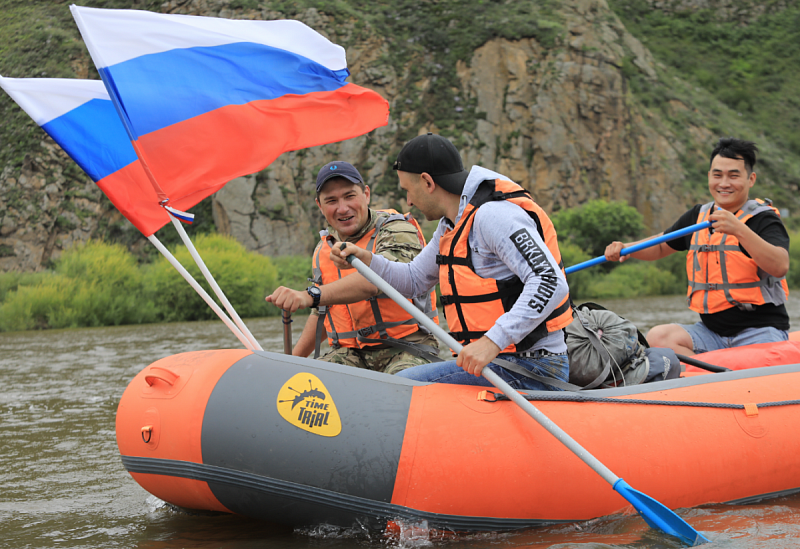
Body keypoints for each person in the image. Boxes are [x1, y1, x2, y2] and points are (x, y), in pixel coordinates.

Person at [332, 133, 572, 390]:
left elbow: (550, 281)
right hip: (498, 364)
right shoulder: (451, 224)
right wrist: (368, 260)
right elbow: (414, 280)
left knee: (403, 385)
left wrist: (493, 341)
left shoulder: (493, 216)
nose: (409, 202)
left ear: (427, 182)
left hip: (534, 366)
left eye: (408, 191)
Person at [604, 137, 790, 356]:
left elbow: (780, 265)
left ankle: (723, 376)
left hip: (760, 331)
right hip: (711, 333)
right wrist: (625, 248)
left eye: (733, 175)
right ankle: (714, 377)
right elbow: (661, 245)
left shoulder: (763, 219)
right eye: (717, 175)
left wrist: (739, 229)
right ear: (709, 177)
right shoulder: (698, 216)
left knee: (764, 357)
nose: (724, 183)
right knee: (658, 337)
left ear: (751, 179)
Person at [265, 160, 440, 374]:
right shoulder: (322, 249)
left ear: (366, 194)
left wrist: (309, 295)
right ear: (319, 206)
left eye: (350, 196)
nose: (343, 208)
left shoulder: (397, 229)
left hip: (407, 348)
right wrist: (288, 365)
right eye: (331, 200)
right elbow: (321, 312)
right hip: (350, 354)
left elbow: (376, 281)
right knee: (310, 381)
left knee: (399, 384)